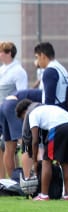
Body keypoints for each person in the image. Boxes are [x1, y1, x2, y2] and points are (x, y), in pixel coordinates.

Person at [16, 99, 68, 201]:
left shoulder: (31, 114)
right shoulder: (45, 109)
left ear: (24, 112)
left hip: (58, 127)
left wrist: (35, 162)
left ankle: (44, 195)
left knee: (47, 161)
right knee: (65, 162)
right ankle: (67, 195)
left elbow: (35, 140)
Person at [34, 42, 68, 163]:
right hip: (67, 117)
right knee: (67, 161)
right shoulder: (62, 69)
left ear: (43, 56)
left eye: (36, 57)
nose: (37, 61)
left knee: (48, 159)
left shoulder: (49, 71)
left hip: (55, 121)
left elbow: (49, 100)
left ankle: (50, 182)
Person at [0, 41, 29, 178]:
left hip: (13, 111)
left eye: (1, 52)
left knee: (22, 142)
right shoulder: (2, 69)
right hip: (2, 111)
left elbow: (22, 93)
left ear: (9, 53)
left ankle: (28, 175)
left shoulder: (18, 71)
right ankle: (12, 179)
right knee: (7, 146)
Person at [1, 89, 42, 179]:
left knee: (9, 149)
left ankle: (14, 182)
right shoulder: (52, 98)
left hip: (4, 104)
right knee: (26, 144)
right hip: (12, 105)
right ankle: (28, 181)